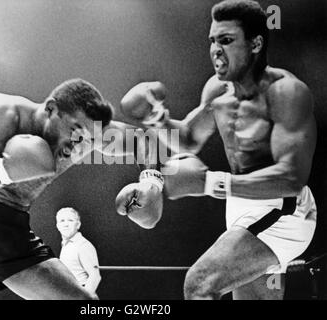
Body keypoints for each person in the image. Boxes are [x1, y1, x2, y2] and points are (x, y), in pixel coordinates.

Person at [116, 0, 317, 300]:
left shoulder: (286, 93)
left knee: (199, 284)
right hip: (241, 208)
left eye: (226, 40)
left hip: (283, 211)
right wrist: (156, 117)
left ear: (255, 44)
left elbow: (290, 178)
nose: (215, 50)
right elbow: (189, 139)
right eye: (212, 40)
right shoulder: (218, 88)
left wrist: (211, 183)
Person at [0, 78, 163, 300]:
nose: (78, 144)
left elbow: (142, 140)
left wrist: (151, 181)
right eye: (74, 130)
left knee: (86, 302)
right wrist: (1, 171)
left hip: (12, 227)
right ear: (51, 109)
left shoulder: (91, 134)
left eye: (87, 140)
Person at [56, 207, 101, 295]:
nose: (66, 224)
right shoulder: (66, 244)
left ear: (78, 224)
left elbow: (95, 277)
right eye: (62, 221)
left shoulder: (83, 245)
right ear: (57, 225)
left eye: (70, 220)